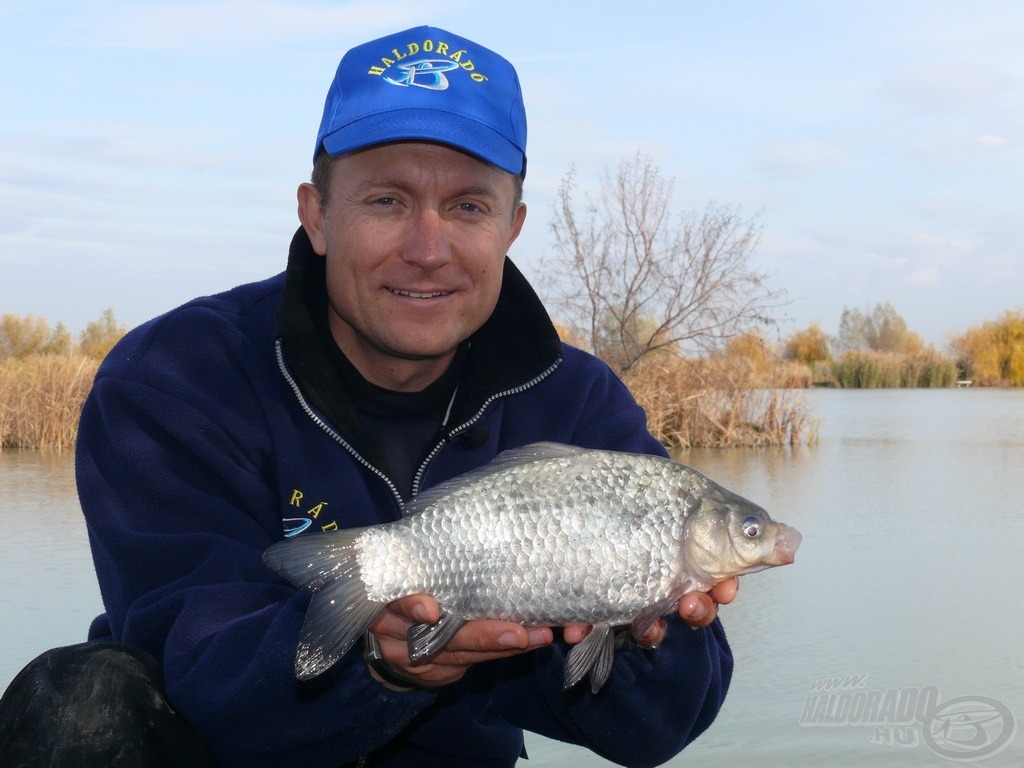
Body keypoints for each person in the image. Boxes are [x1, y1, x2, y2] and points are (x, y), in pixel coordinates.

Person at [0, 25, 738, 768]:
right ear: (317, 215)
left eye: (469, 207)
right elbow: (192, 662)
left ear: (512, 228)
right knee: (76, 700)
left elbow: (660, 728)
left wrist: (646, 628)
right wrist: (377, 663)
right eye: (387, 201)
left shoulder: (575, 403)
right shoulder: (176, 378)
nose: (427, 247)